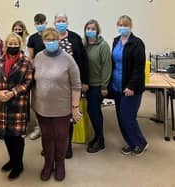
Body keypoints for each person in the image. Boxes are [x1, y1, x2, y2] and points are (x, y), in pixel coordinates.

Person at [32, 28, 82, 181]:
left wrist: (75, 107)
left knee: (61, 137)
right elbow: (33, 80)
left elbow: (76, 85)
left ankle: (60, 163)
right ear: (44, 41)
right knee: (46, 137)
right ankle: (48, 164)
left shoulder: (68, 59)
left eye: (53, 39)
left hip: (62, 107)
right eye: (47, 39)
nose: (51, 42)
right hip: (42, 107)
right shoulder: (39, 57)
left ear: (58, 40)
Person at [0, 32, 33, 180]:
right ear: (6, 44)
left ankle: (18, 164)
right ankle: (12, 159)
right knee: (6, 135)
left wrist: (12, 92)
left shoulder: (26, 61)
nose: (13, 46)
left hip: (17, 103)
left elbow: (28, 83)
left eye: (16, 44)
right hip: (1, 103)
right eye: (10, 44)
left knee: (17, 136)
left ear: (20, 45)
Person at [110, 15, 148, 155]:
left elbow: (139, 68)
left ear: (131, 26)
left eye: (125, 25)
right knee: (121, 117)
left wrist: (131, 86)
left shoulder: (137, 43)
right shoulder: (115, 41)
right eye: (120, 24)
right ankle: (131, 143)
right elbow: (113, 63)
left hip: (131, 88)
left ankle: (141, 143)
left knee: (128, 117)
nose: (122, 27)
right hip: (117, 86)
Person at [54, 13, 89, 159]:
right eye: (58, 21)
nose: (61, 23)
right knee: (54, 117)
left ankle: (67, 146)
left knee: (69, 116)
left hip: (71, 85)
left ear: (67, 22)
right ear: (54, 22)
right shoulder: (50, 38)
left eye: (63, 21)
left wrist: (85, 81)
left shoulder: (75, 38)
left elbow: (84, 60)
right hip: (53, 86)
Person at [83, 19, 112, 153]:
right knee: (91, 111)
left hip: (98, 85)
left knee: (94, 111)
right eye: (88, 28)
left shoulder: (103, 46)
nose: (90, 31)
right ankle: (97, 136)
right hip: (87, 85)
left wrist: (104, 86)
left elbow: (107, 66)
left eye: (93, 28)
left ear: (97, 31)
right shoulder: (84, 45)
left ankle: (100, 140)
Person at [27, 13, 47, 140]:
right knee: (35, 102)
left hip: (51, 75)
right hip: (36, 74)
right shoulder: (33, 38)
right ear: (34, 24)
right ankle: (39, 127)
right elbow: (30, 58)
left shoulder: (51, 35)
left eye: (42, 23)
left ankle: (47, 127)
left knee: (48, 101)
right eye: (37, 23)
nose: (40, 25)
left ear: (46, 23)